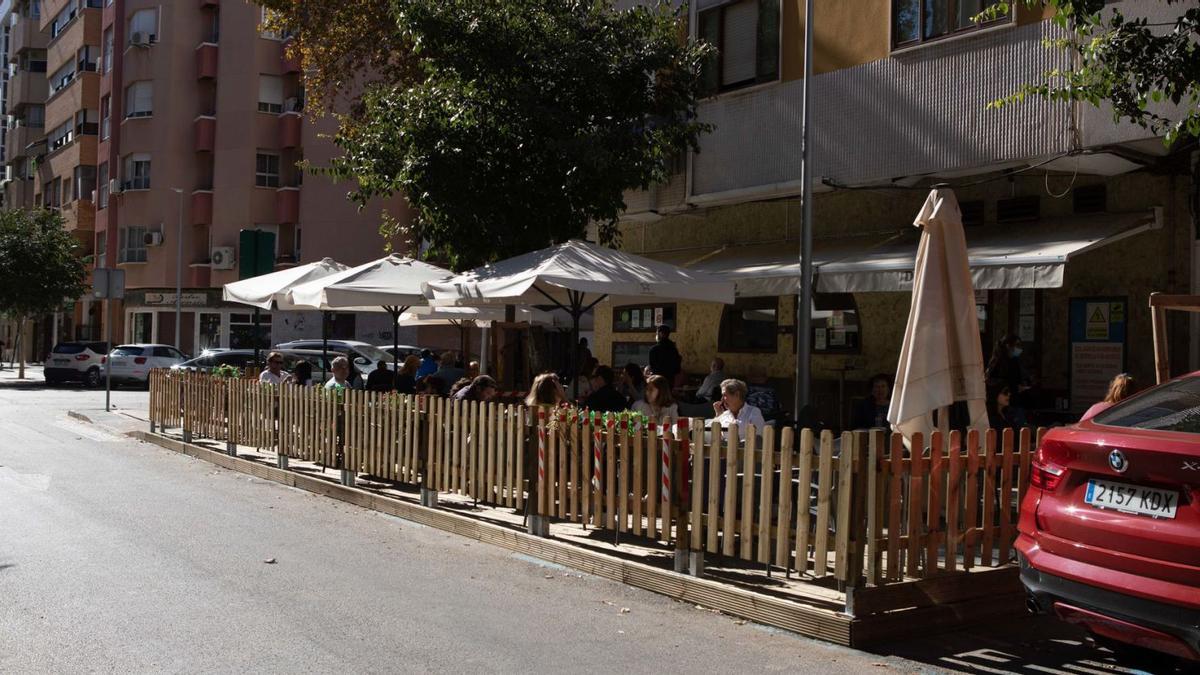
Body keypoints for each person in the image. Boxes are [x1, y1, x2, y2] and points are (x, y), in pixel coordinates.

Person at [986, 335, 1030, 402]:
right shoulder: (997, 361)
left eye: (1020, 345)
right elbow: (990, 382)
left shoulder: (1014, 360)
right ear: (1008, 346)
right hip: (998, 400)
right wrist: (1011, 386)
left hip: (1011, 399)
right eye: (1017, 345)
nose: (1019, 348)